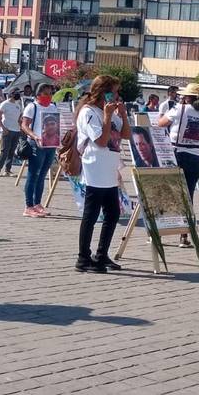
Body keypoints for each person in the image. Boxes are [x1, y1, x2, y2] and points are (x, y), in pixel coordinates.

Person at [75, 75, 130, 272]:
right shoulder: (89, 112)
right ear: (104, 92)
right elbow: (100, 140)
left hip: (110, 167)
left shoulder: (110, 111)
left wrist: (122, 115)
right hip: (95, 166)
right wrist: (107, 116)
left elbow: (125, 135)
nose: (117, 95)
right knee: (91, 214)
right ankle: (83, 258)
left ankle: (101, 254)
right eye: (114, 91)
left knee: (113, 213)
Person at [159, 83, 199, 248]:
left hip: (177, 154)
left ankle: (158, 233)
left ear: (188, 97)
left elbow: (161, 123)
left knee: (167, 194)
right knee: (188, 197)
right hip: (196, 156)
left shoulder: (179, 109)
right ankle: (184, 236)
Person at [20, 83, 60, 218]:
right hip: (37, 145)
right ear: (38, 94)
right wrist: (35, 136)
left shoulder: (53, 106)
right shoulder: (32, 107)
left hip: (51, 145)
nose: (49, 96)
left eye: (50, 93)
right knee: (33, 175)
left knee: (42, 175)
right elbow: (24, 125)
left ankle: (37, 204)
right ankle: (28, 206)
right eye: (45, 93)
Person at [0, 90, 23, 177]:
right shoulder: (5, 104)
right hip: (7, 130)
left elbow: (19, 117)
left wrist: (20, 127)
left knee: (12, 151)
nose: (18, 95)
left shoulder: (18, 105)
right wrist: (3, 128)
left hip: (16, 130)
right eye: (16, 93)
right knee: (4, 151)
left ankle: (8, 170)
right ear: (11, 94)